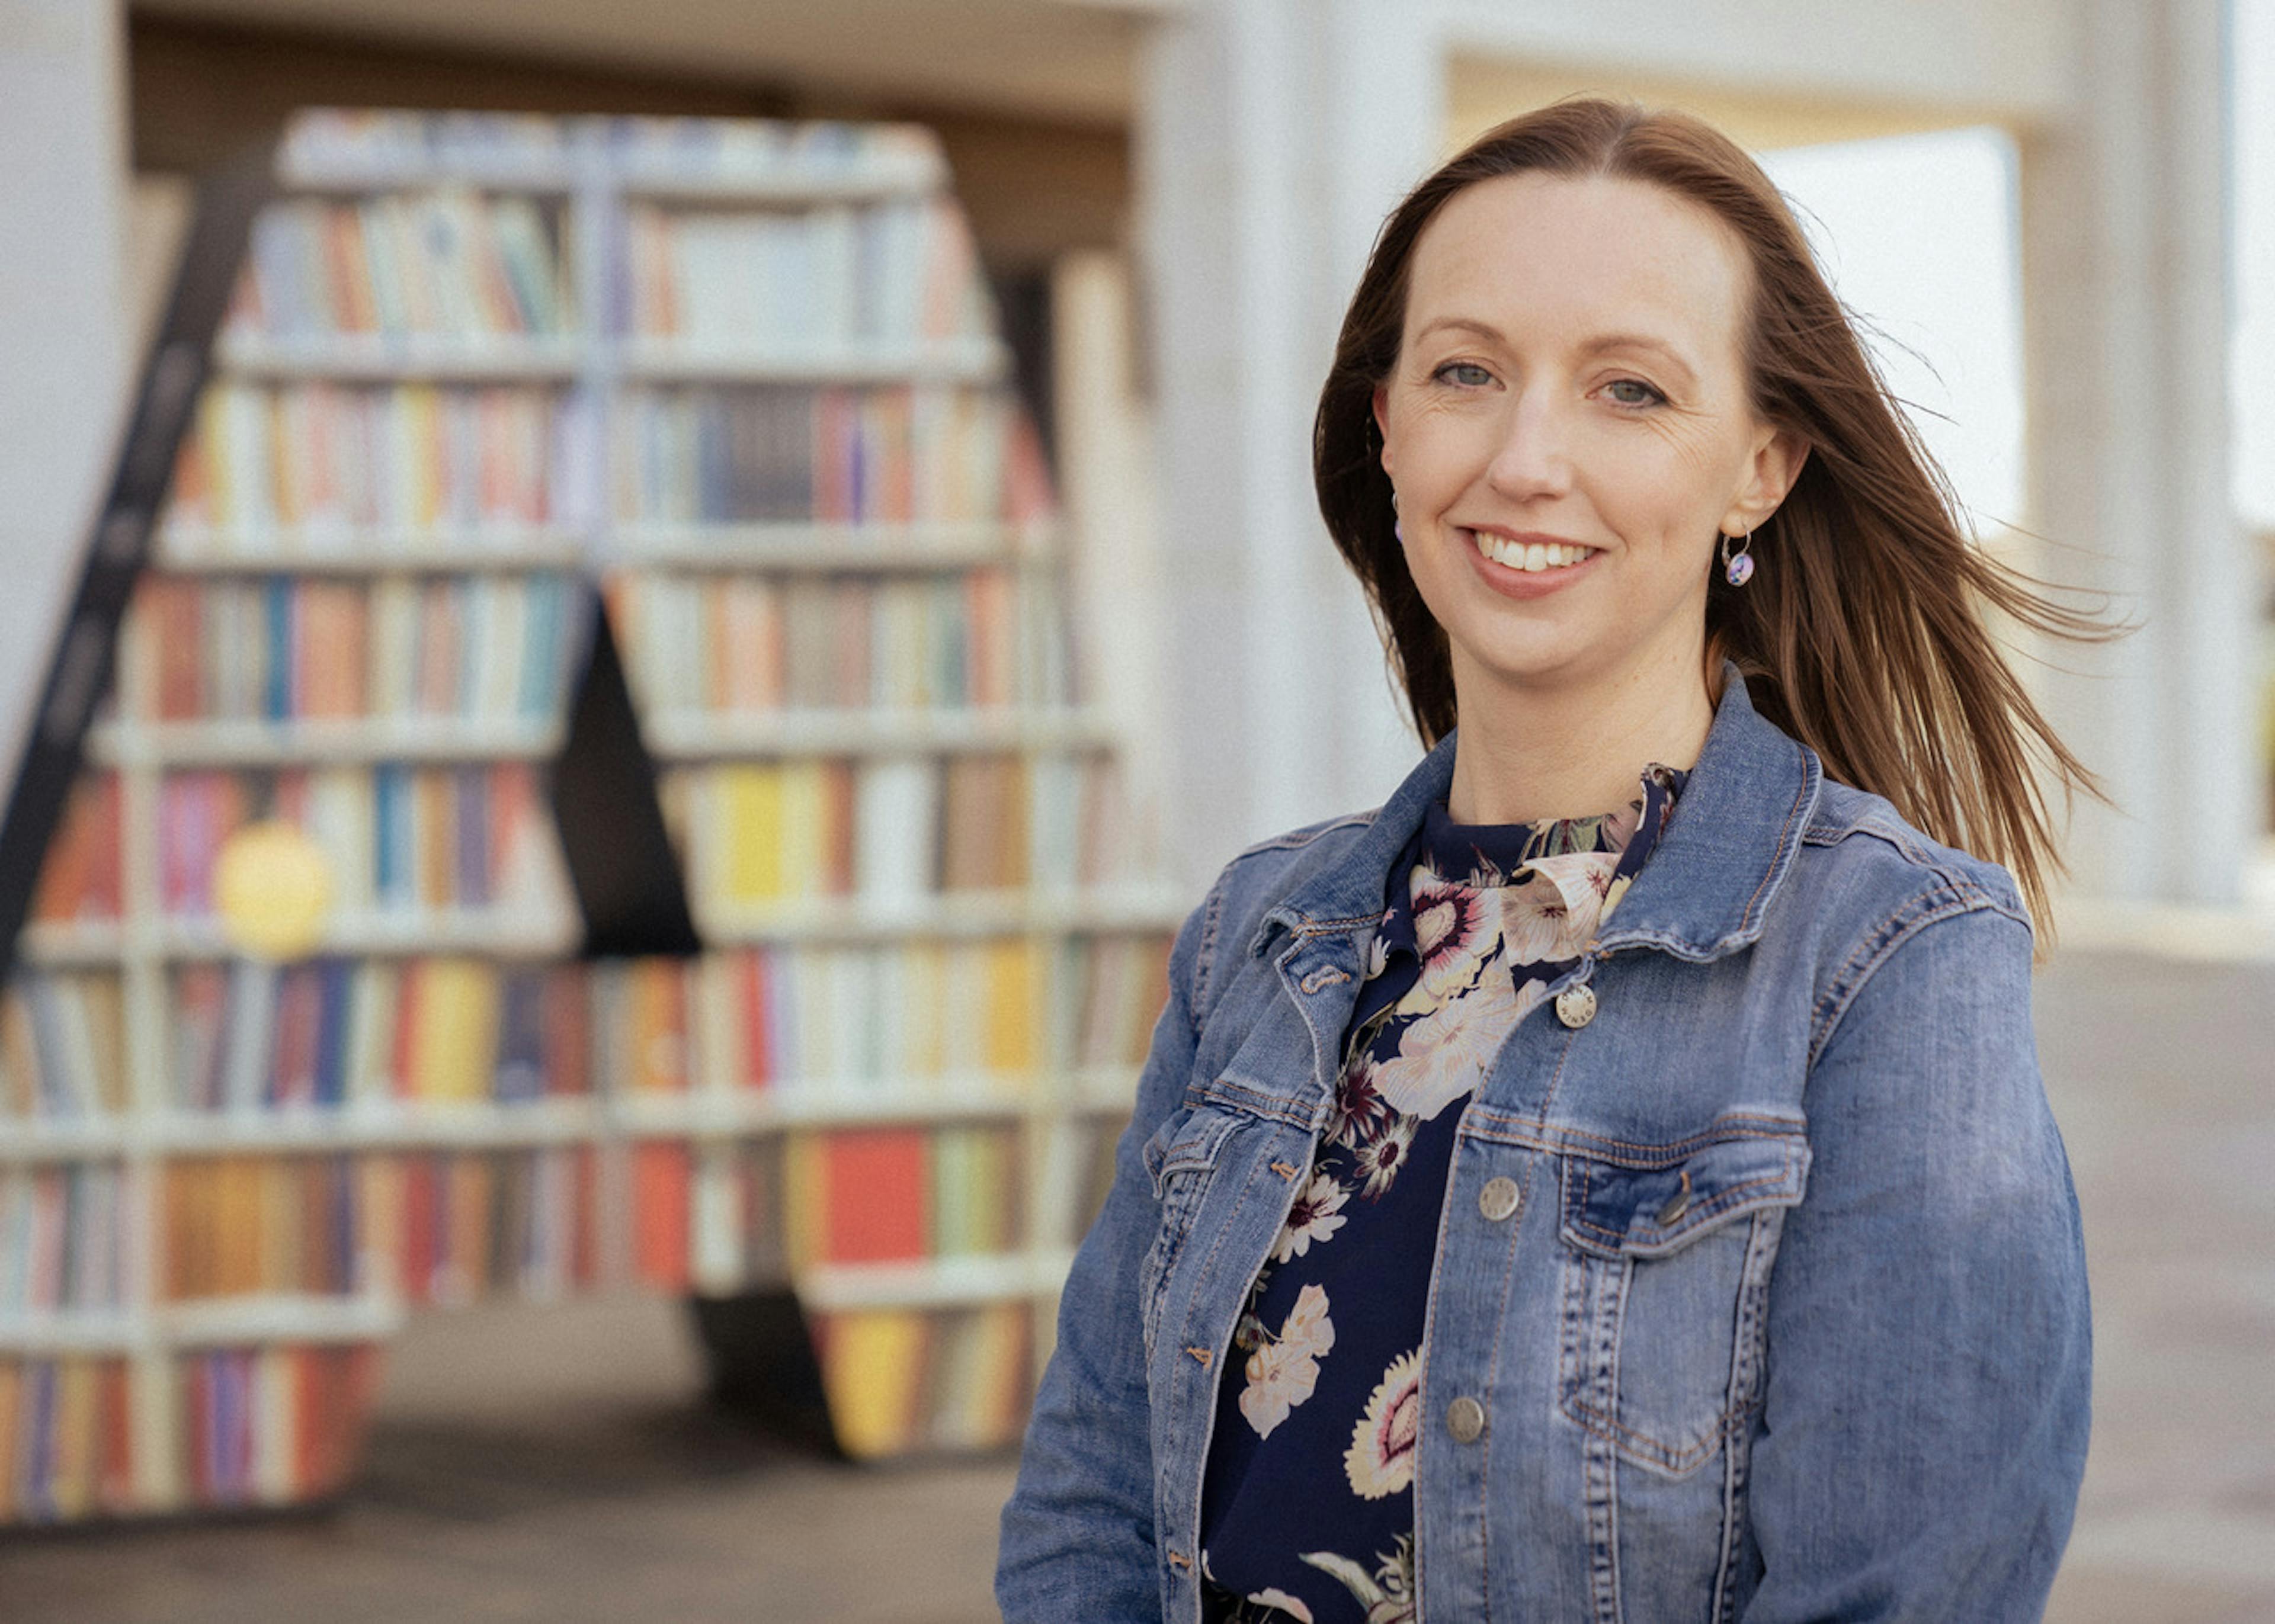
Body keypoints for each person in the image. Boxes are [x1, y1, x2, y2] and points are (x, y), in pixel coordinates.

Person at [997, 98, 2097, 1623]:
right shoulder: (1260, 930)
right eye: (1466, 372)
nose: (1526, 459)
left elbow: (1903, 1596)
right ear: (1387, 424)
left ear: (1758, 469)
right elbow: (1088, 1507)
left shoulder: (1892, 960)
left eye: (1629, 391)